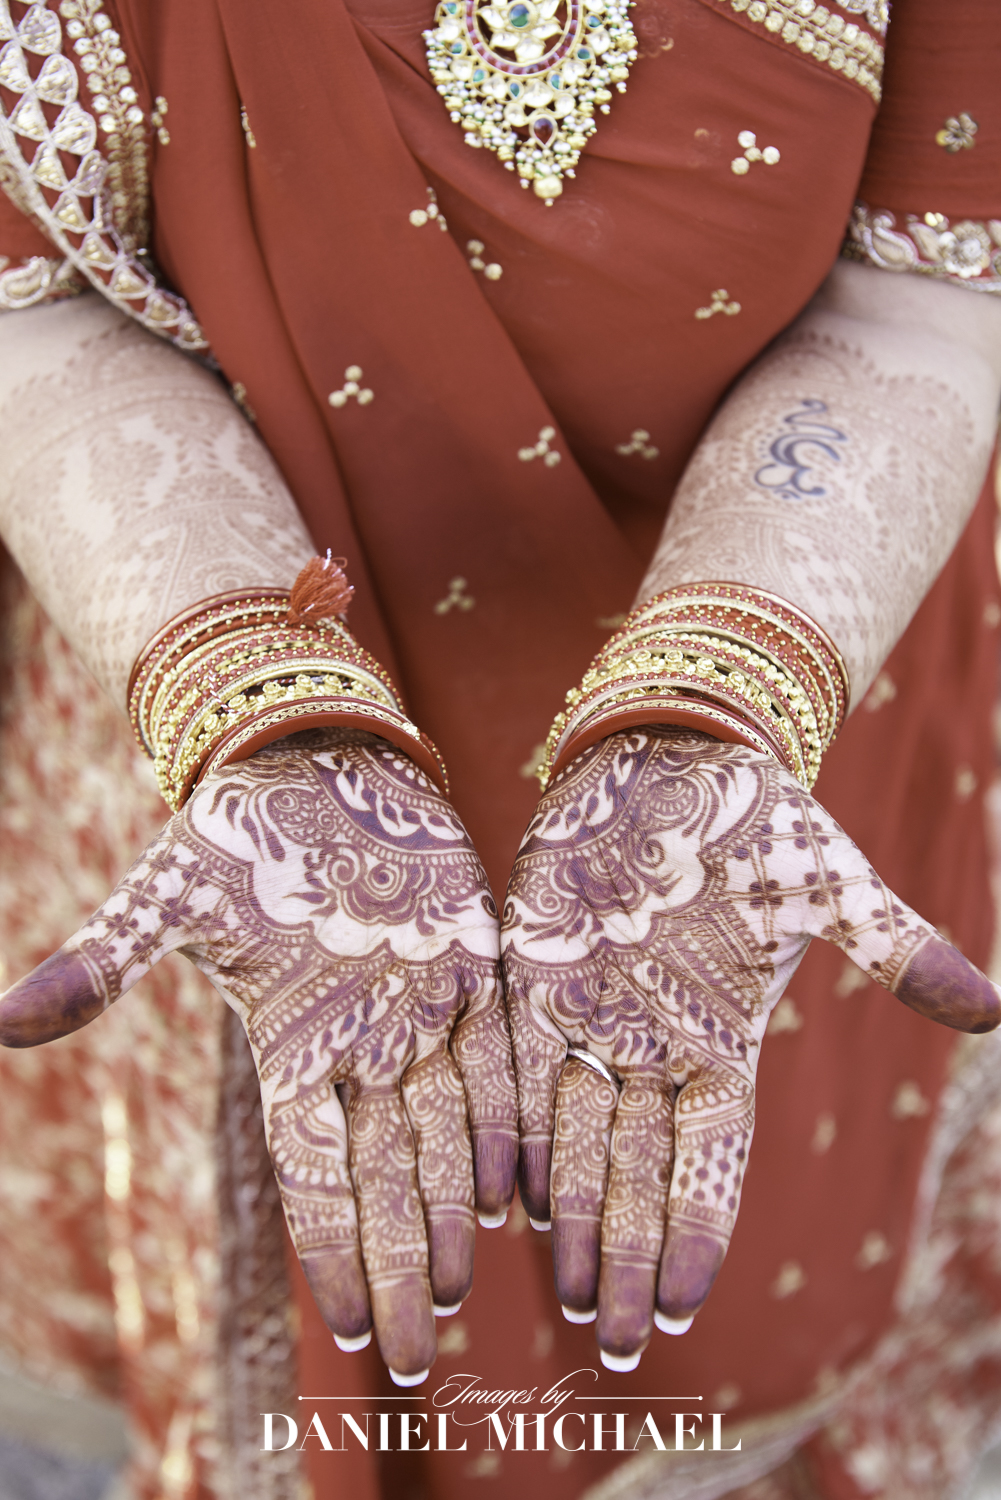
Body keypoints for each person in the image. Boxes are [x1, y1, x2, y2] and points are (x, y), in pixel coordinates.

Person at [0, 0, 999, 1496]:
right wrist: (254, 701)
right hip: (205, 664)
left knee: (749, 1269)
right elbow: (29, 307)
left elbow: (915, 290)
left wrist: (715, 698)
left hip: (798, 655)